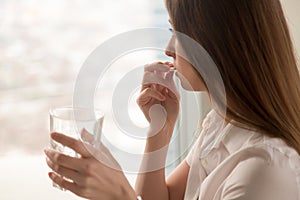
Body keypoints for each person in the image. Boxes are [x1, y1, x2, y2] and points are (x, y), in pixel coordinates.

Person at [44, 0, 300, 199]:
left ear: (219, 44)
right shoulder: (224, 124)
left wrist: (118, 195)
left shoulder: (264, 172)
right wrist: (160, 129)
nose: (168, 48)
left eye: (179, 33)